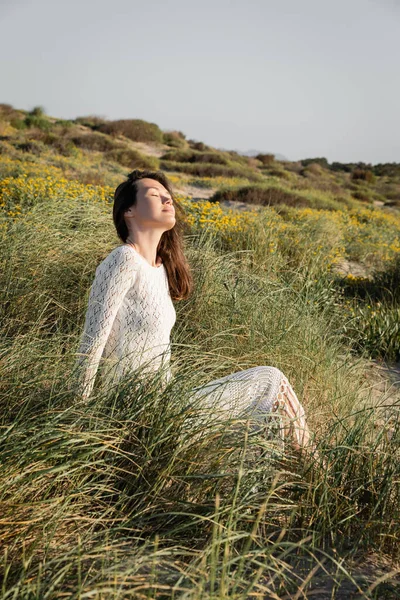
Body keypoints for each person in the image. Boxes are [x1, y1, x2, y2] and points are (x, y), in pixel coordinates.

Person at [73, 169, 312, 451]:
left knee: (262, 426)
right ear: (128, 211)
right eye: (154, 195)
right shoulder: (123, 260)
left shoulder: (159, 268)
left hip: (168, 403)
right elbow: (92, 342)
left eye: (168, 196)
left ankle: (310, 477)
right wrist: (79, 420)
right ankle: (321, 477)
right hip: (137, 413)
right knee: (271, 380)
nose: (167, 200)